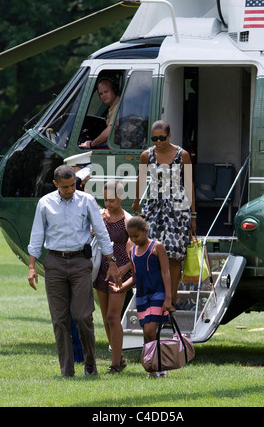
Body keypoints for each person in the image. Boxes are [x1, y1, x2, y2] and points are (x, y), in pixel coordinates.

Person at [28, 165, 119, 378]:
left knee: (82, 316)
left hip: (80, 262)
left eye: (73, 186)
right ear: (55, 184)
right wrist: (32, 267)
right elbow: (36, 236)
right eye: (65, 187)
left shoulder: (86, 201)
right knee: (59, 320)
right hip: (54, 262)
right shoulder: (45, 203)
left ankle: (90, 365)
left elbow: (103, 233)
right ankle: (67, 370)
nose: (70, 190)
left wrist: (111, 261)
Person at [132, 120, 196, 305]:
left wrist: (193, 215)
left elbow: (189, 183)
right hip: (154, 207)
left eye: (162, 138)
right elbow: (141, 179)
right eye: (154, 138)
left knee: (174, 255)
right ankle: (156, 296)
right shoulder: (147, 155)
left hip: (178, 209)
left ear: (169, 136)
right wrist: (136, 202)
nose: (158, 141)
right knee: (152, 252)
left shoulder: (182, 155)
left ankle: (171, 299)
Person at [109, 216, 174, 378]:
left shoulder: (157, 247)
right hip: (142, 297)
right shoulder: (132, 252)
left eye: (136, 236)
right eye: (130, 237)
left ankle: (161, 367)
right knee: (147, 333)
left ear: (146, 231)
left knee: (151, 330)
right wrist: (122, 286)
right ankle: (152, 370)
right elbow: (135, 276)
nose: (133, 239)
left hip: (158, 294)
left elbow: (166, 272)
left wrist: (168, 298)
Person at [93, 181, 133, 374]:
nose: (108, 204)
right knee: (105, 317)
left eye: (112, 200)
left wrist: (123, 270)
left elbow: (133, 252)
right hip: (101, 268)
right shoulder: (100, 216)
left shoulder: (127, 220)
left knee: (112, 316)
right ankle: (119, 357)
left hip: (119, 271)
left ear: (121, 197)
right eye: (106, 200)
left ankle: (115, 364)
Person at [80, 78, 120, 149]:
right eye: (101, 94)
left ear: (114, 90)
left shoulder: (119, 106)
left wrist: (92, 144)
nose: (104, 95)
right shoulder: (112, 107)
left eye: (106, 91)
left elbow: (110, 132)